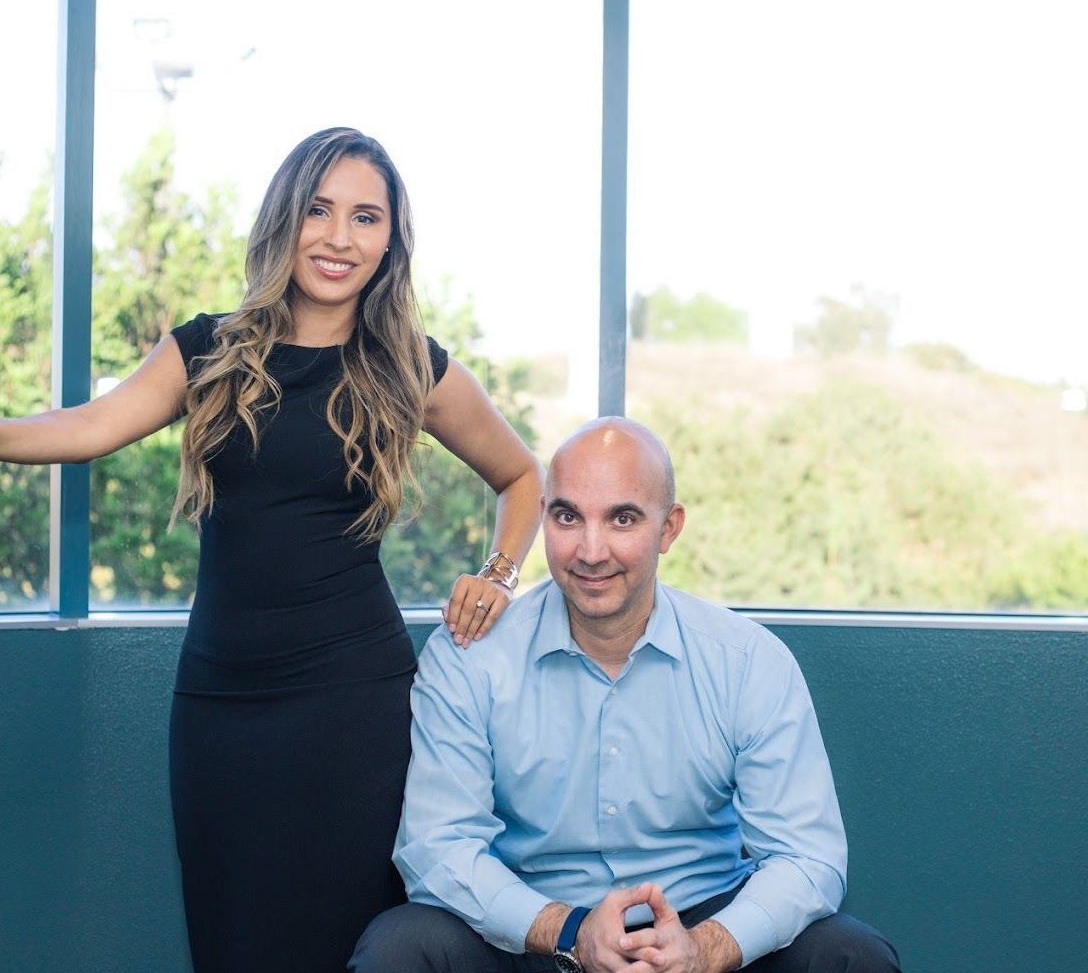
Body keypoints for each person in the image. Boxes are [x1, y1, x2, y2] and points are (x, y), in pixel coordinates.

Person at [0, 127, 544, 973]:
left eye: (366, 218)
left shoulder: (410, 365)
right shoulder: (207, 349)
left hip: (353, 707)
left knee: (353, 944)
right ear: (285, 218)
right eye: (320, 210)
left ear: (391, 239)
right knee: (233, 942)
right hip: (221, 703)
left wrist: (499, 572)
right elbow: (86, 429)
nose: (339, 237)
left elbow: (522, 477)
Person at [351, 417, 901, 973]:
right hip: (536, 931)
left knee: (849, 955)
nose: (591, 551)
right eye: (568, 517)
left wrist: (705, 948)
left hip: (700, 927)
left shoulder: (748, 661)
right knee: (402, 945)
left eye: (622, 519)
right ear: (544, 517)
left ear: (669, 528)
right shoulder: (471, 656)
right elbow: (438, 846)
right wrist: (569, 930)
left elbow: (808, 859)